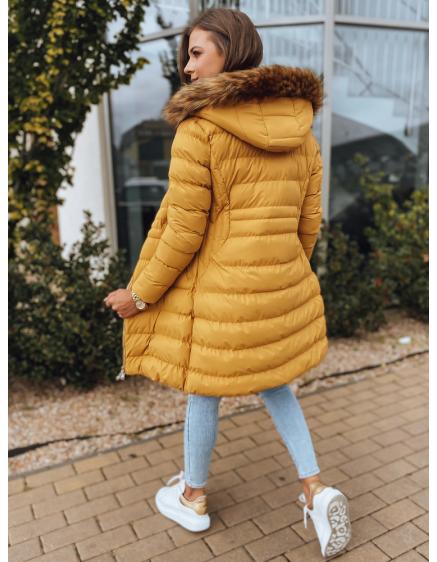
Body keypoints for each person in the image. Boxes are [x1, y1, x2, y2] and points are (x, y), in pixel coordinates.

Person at [104, 7, 352, 558]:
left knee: (204, 387)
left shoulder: (200, 130)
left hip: (218, 295)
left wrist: (140, 294)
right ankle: (315, 489)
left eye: (196, 53)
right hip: (276, 290)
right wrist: (281, 275)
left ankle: (193, 496)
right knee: (276, 383)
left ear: (230, 52)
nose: (187, 68)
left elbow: (182, 232)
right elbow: (308, 225)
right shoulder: (302, 132)